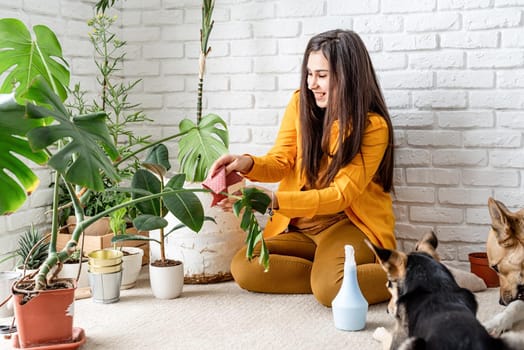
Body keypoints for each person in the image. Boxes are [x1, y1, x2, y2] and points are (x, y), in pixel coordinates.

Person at [209, 29, 396, 307]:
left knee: (330, 291)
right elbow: (280, 160)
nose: (312, 84)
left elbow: (341, 195)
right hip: (301, 228)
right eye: (309, 74)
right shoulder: (300, 104)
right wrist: (247, 163)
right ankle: (328, 275)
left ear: (348, 77)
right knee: (245, 266)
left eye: (321, 75)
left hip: (346, 225)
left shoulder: (372, 127)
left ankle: (414, 274)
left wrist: (274, 200)